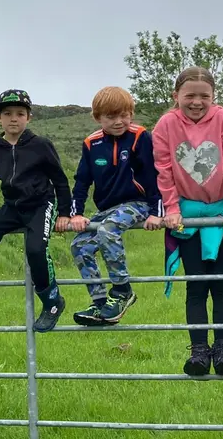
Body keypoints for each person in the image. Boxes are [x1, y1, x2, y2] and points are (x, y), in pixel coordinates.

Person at [152, 66, 223, 376]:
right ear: (176, 95)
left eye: (204, 96)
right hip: (188, 219)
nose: (196, 102)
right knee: (195, 287)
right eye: (189, 95)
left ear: (213, 96)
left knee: (221, 286)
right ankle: (198, 352)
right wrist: (172, 209)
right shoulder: (165, 124)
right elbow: (164, 172)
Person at [0, 89, 72, 332]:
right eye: (7, 114)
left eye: (20, 113)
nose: (13, 118)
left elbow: (60, 180)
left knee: (35, 250)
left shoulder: (41, 145)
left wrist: (65, 213)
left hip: (41, 205)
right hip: (12, 207)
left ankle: (52, 302)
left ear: (29, 117)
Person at [66, 86, 164, 326]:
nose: (119, 122)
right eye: (111, 117)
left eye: (124, 115)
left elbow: (154, 175)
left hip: (137, 203)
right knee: (80, 245)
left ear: (131, 113)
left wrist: (156, 212)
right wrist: (76, 213)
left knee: (108, 230)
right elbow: (82, 181)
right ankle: (99, 303)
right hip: (107, 208)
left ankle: (122, 291)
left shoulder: (140, 136)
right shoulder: (91, 143)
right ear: (97, 118)